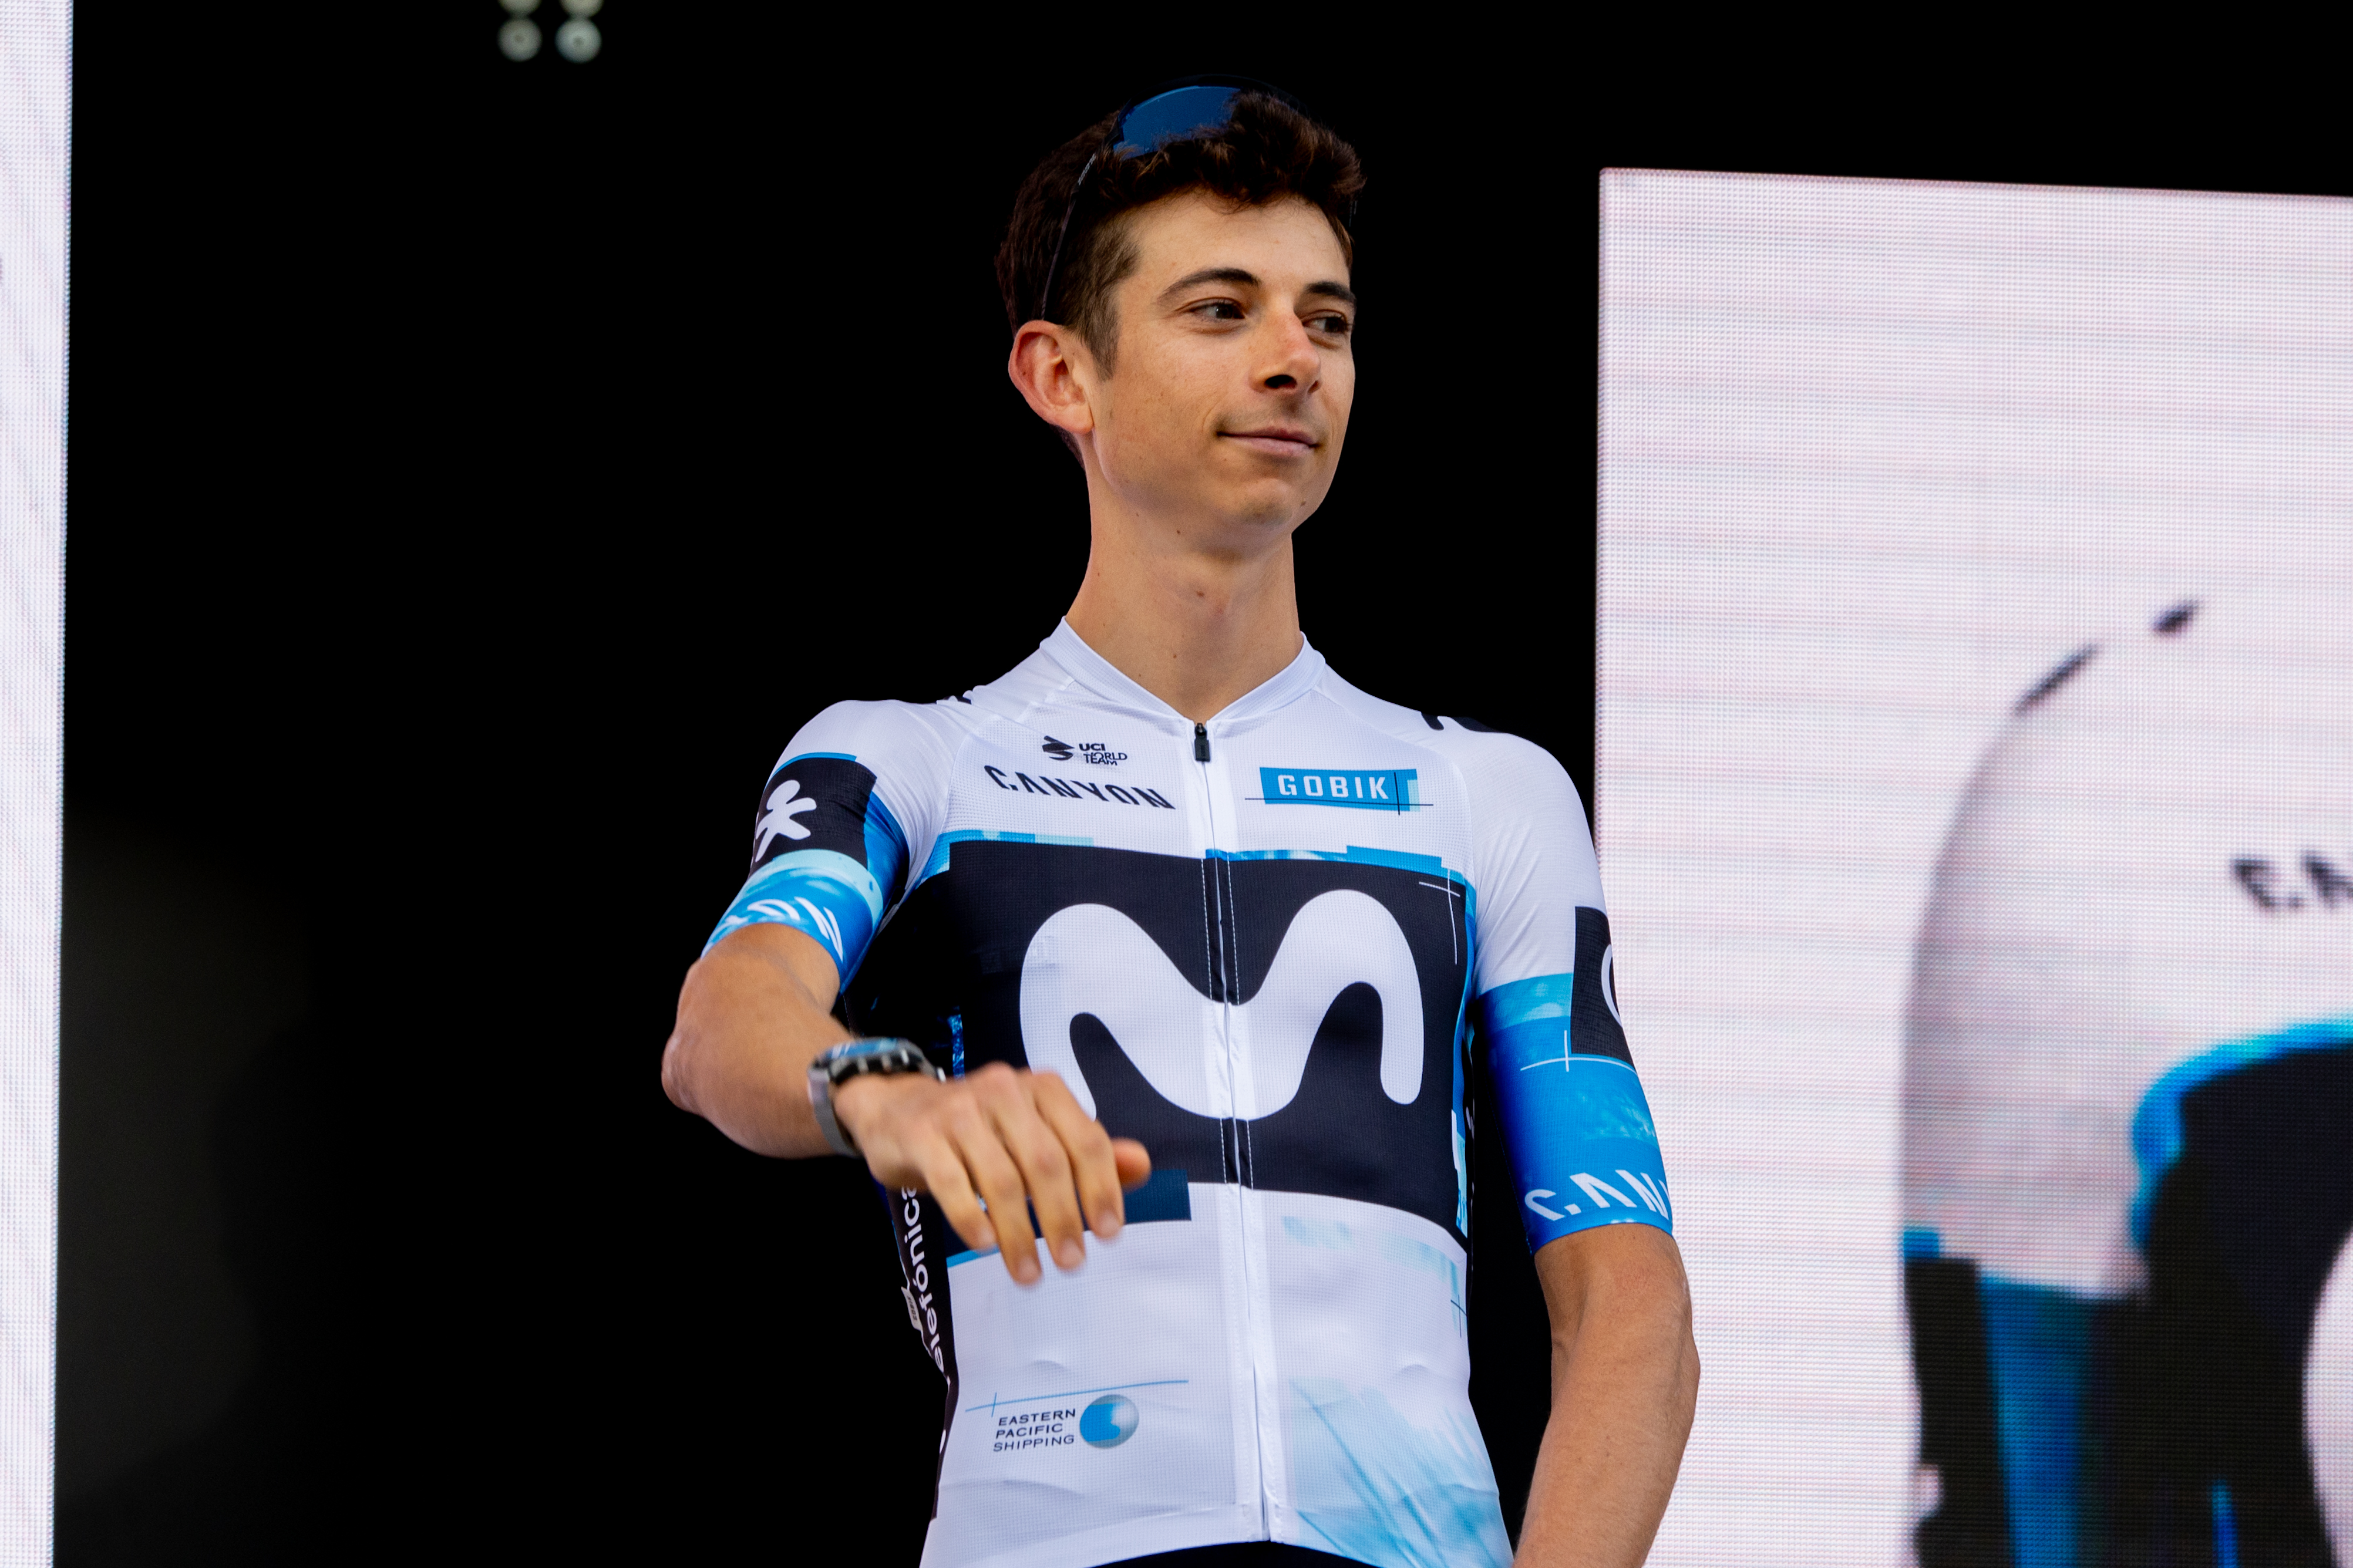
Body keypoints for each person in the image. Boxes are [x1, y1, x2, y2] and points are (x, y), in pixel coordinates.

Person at [661, 80, 1698, 1568]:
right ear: (1060, 377)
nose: (1296, 360)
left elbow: (1629, 1301)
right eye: (1223, 310)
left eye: (1328, 320)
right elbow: (724, 1023)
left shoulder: (1486, 793)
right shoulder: (915, 762)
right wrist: (894, 1095)